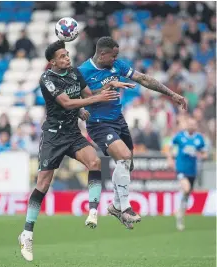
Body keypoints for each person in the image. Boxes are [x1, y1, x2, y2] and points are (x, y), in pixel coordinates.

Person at [18, 40, 132, 262]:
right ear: (52, 62)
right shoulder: (47, 79)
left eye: (67, 54)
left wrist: (110, 86)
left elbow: (89, 92)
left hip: (72, 134)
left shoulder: (73, 72)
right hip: (53, 136)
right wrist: (90, 102)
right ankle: (27, 233)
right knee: (43, 184)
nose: (67, 58)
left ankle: (92, 211)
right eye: (62, 56)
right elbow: (68, 103)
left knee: (95, 162)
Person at [78, 36, 187, 230]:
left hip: (118, 121)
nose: (116, 59)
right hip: (98, 124)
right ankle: (125, 208)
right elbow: (74, 100)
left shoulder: (117, 65)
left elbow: (144, 79)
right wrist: (83, 108)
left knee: (128, 164)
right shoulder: (83, 72)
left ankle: (115, 207)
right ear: (102, 54)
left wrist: (172, 94)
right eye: (113, 56)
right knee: (124, 156)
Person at [167, 118, 208, 231]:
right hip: (181, 169)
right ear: (187, 125)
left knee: (187, 194)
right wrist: (170, 159)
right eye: (190, 124)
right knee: (186, 188)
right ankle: (180, 212)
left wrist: (202, 155)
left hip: (192, 171)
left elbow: (204, 153)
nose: (192, 126)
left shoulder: (199, 139)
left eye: (194, 125)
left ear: (196, 126)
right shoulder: (180, 136)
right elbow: (169, 147)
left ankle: (180, 215)